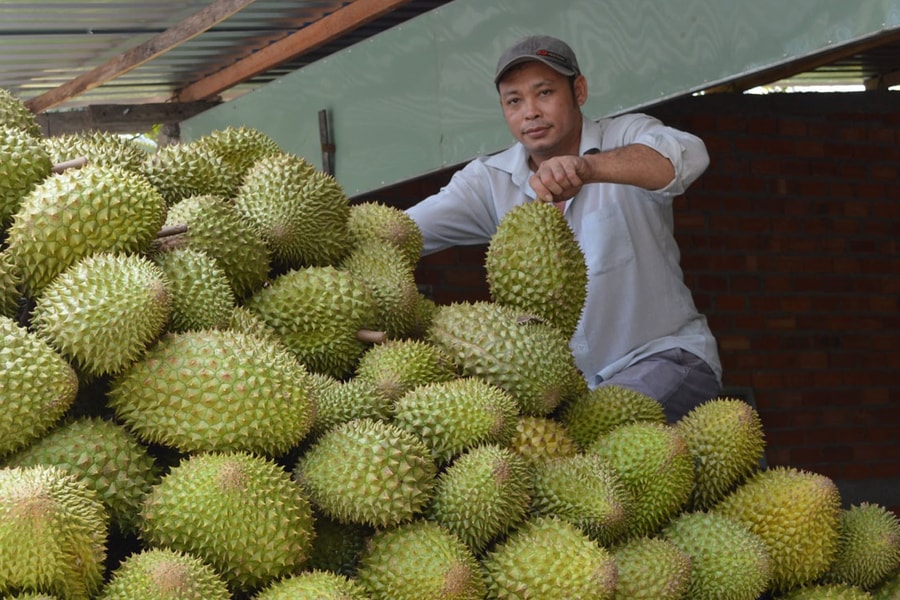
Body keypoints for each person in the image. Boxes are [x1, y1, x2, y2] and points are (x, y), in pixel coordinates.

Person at [405, 34, 721, 422]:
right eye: (514, 101)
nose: (530, 112)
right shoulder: (491, 180)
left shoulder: (624, 136)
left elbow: (686, 157)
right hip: (573, 395)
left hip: (666, 359)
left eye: (545, 93)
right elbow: (404, 230)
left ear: (579, 90)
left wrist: (588, 168)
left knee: (589, 437)